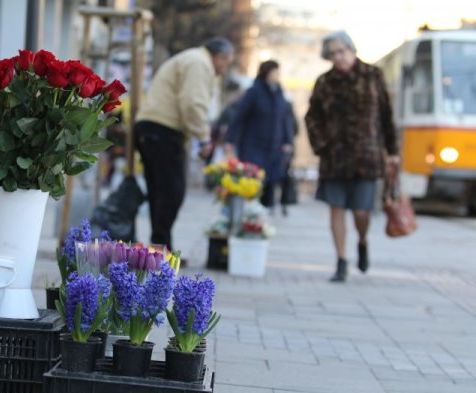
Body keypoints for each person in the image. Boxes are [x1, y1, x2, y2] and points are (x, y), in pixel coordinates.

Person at [304, 31, 399, 282]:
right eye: (332, 54)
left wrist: (393, 152)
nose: (338, 57)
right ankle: (341, 260)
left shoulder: (373, 75)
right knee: (336, 209)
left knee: (361, 212)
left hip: (367, 157)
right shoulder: (324, 82)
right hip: (334, 157)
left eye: (341, 51)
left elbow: (386, 115)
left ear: (352, 50)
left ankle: (363, 240)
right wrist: (322, 144)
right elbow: (312, 117)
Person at [134, 37, 235, 251]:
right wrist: (204, 137)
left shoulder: (191, 58)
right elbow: (192, 103)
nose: (224, 70)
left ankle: (160, 248)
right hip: (164, 129)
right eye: (226, 63)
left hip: (151, 127)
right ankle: (161, 248)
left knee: (160, 192)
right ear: (218, 57)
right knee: (172, 192)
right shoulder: (200, 63)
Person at [224, 60, 294, 211]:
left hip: (274, 147)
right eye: (275, 72)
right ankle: (249, 216)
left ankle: (262, 219)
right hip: (253, 145)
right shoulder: (254, 92)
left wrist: (288, 141)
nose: (277, 75)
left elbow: (285, 119)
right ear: (266, 72)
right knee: (253, 181)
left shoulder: (279, 94)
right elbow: (239, 117)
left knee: (270, 182)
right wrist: (230, 139)